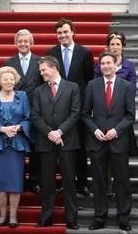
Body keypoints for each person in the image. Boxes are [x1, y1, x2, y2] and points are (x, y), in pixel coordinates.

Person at [82, 51, 135, 232]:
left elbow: (130, 116)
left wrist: (116, 131)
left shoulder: (126, 86)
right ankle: (100, 216)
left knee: (122, 180)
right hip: (97, 141)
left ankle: (123, 216)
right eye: (102, 63)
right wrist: (95, 130)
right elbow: (85, 114)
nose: (105, 66)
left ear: (116, 65)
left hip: (118, 141)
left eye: (108, 63)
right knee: (99, 181)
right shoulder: (92, 85)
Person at [31, 56, 81, 230]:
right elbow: (35, 115)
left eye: (44, 69)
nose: (42, 73)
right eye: (41, 70)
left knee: (69, 181)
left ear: (54, 68)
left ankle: (72, 218)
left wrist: (60, 132)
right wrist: (50, 133)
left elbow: (75, 113)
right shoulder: (38, 91)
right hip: (45, 142)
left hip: (67, 141)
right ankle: (47, 216)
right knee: (46, 182)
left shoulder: (72, 87)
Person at [46, 17, 94, 197]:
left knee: (79, 147)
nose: (62, 35)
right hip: (56, 108)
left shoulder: (84, 53)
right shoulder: (50, 54)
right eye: (59, 33)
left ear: (72, 32)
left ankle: (82, 183)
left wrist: (88, 107)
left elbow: (89, 81)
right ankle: (63, 182)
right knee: (59, 147)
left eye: (65, 32)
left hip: (79, 109)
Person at [0, 66, 32, 228]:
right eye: (5, 79)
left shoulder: (22, 96)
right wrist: (2, 129)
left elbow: (28, 118)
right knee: (0, 182)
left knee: (15, 181)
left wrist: (18, 128)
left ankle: (13, 216)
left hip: (16, 145)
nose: (8, 81)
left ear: (15, 80)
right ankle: (2, 216)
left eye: (11, 79)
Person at [94, 31, 138, 195]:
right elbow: (96, 88)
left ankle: (117, 187)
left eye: (118, 44)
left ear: (123, 46)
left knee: (120, 165)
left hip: (120, 118)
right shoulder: (101, 66)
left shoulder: (129, 66)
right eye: (112, 44)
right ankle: (106, 187)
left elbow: (131, 90)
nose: (115, 47)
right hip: (102, 119)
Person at [4, 29, 43, 194]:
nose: (23, 44)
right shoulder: (9, 62)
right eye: (20, 41)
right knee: (17, 147)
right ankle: (17, 178)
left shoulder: (40, 61)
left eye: (26, 41)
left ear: (32, 43)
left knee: (34, 147)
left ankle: (34, 180)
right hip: (15, 112)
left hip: (35, 110)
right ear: (16, 43)